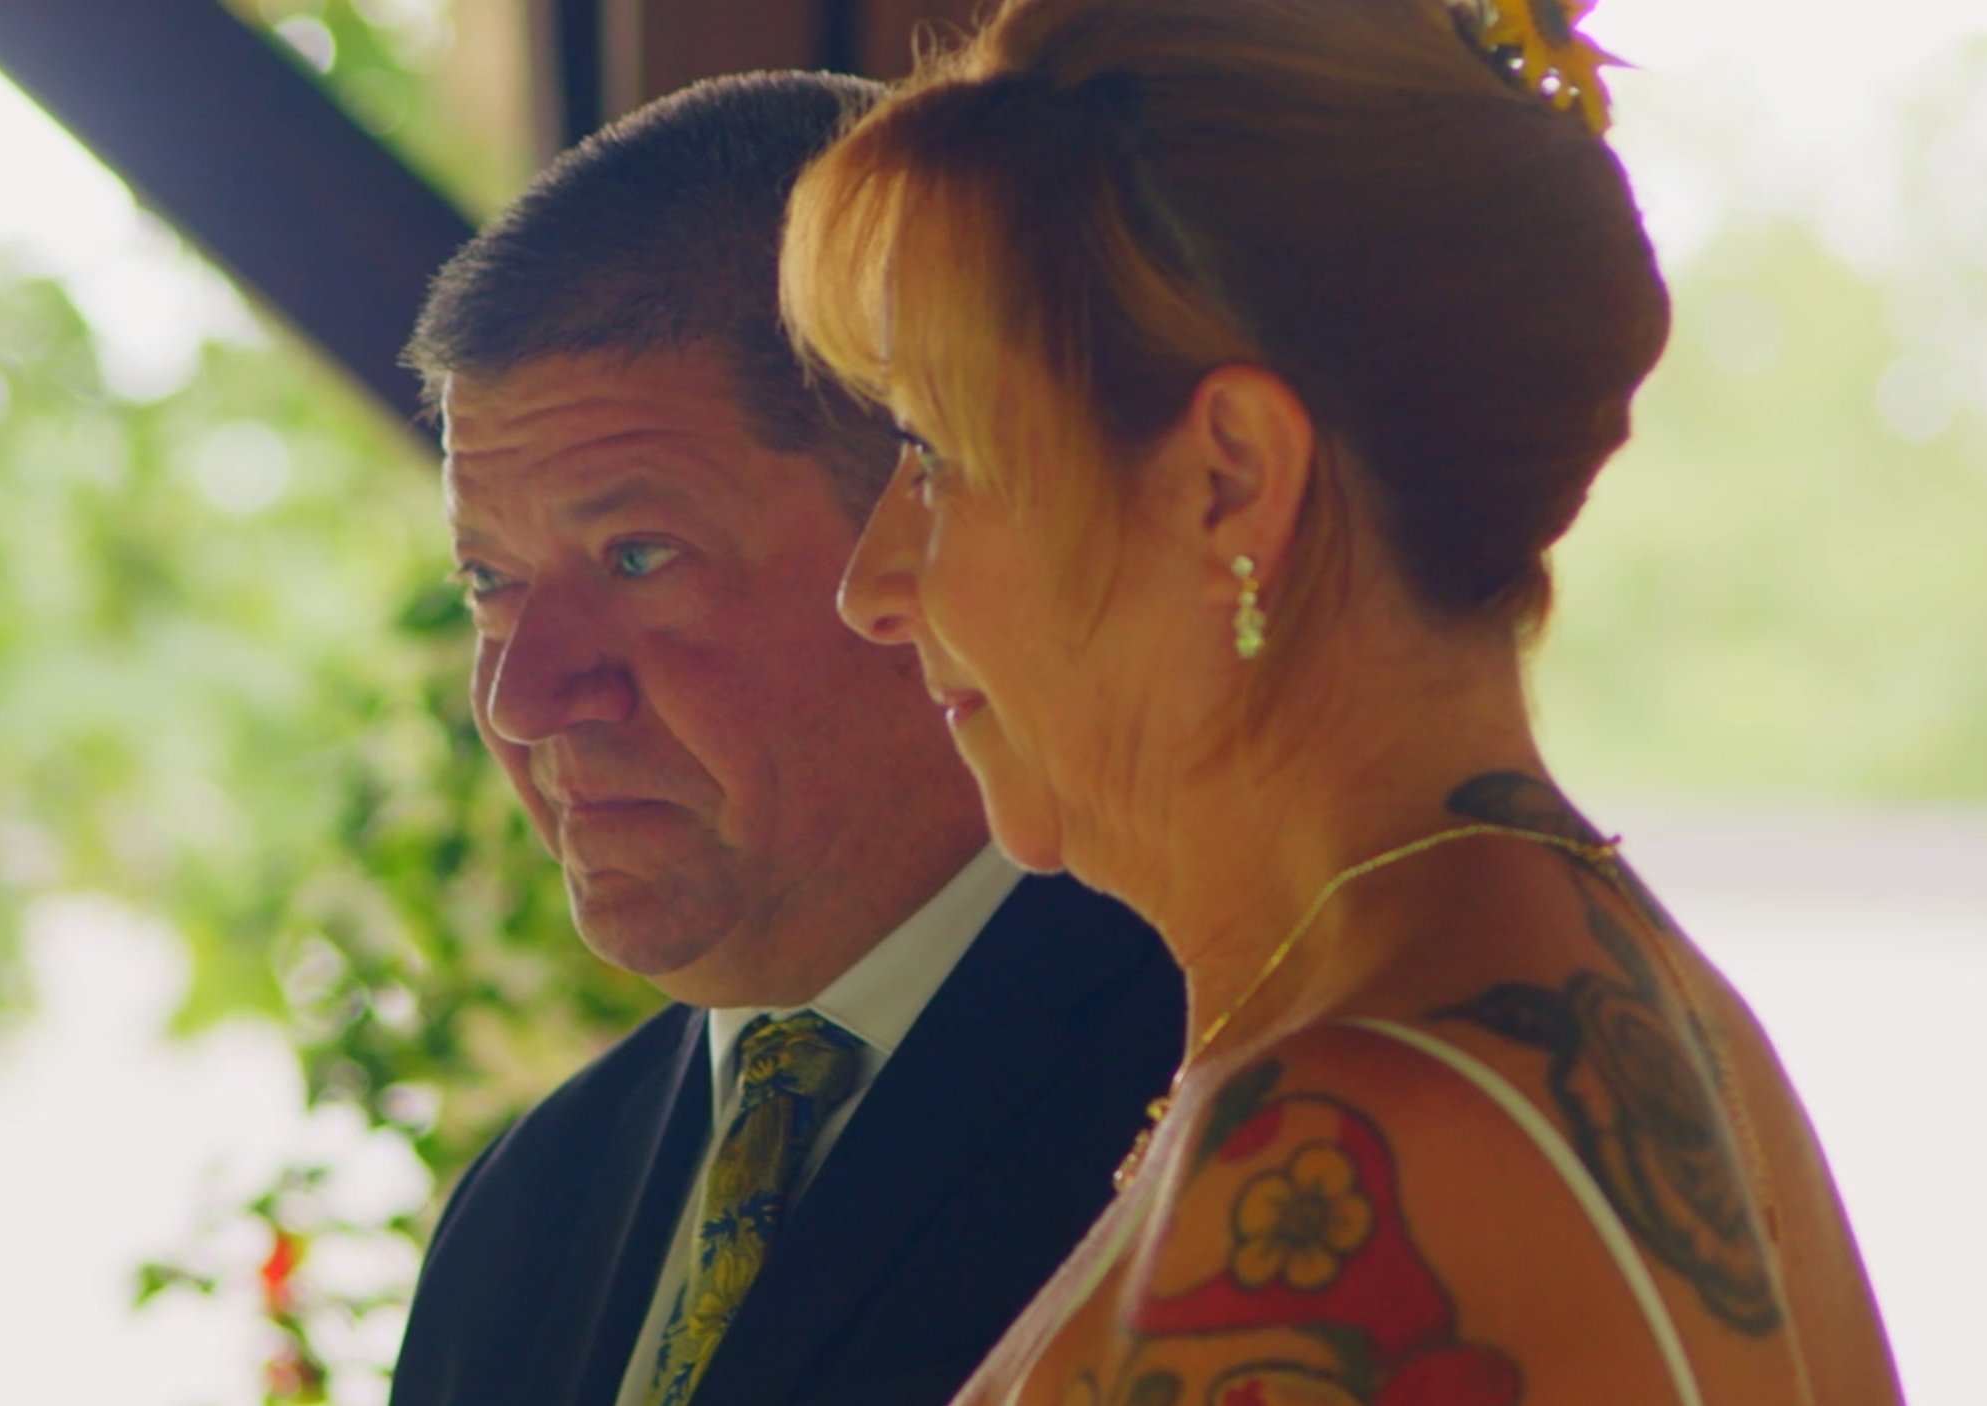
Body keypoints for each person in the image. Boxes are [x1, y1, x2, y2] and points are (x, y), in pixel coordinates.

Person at [778, 1, 1902, 1403]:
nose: (875, 584)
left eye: (936, 454)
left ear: (1230, 479)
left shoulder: (1362, 1137)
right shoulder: (1633, 1001)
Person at [384, 71, 1184, 1406]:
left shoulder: (1221, 1101)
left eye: (639, 556)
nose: (525, 696)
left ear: (922, 529)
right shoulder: (526, 1211)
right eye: (489, 581)